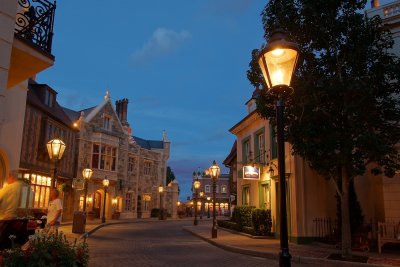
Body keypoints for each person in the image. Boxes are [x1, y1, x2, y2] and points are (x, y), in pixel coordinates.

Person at [0, 172, 24, 249]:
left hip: (4, 217)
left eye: (8, 178)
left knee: (2, 238)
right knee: (9, 238)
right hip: (13, 217)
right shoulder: (19, 187)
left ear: (11, 177)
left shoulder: (8, 187)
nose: (7, 179)